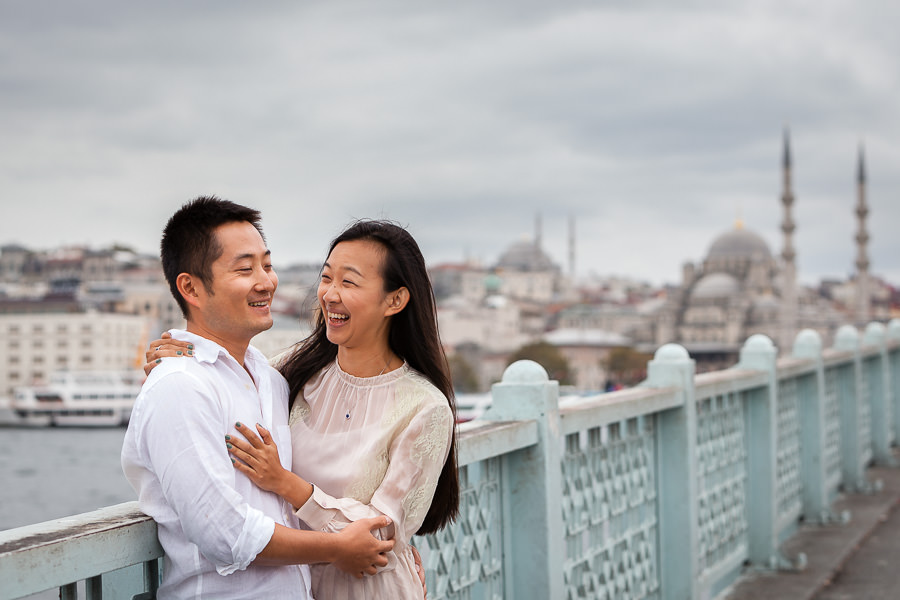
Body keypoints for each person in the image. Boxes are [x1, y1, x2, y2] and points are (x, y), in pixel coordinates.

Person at [146, 219, 459, 599]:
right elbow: (227, 365)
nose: (329, 294)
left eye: (350, 282)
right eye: (327, 278)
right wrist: (186, 353)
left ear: (394, 300)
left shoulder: (425, 407)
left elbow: (381, 537)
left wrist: (288, 485)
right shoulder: (292, 372)